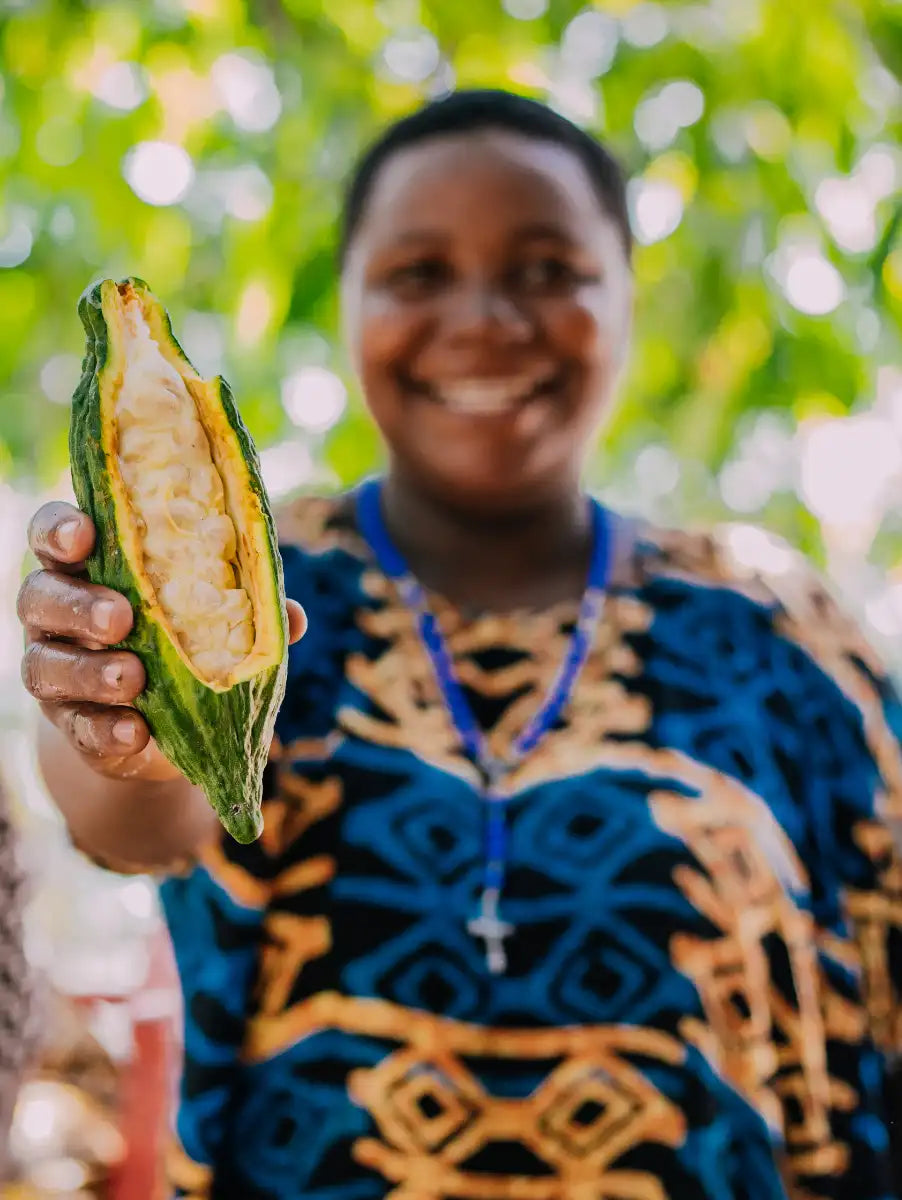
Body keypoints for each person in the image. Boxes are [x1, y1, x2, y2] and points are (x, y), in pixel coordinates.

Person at [14, 88, 902, 1200]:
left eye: (546, 269)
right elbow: (133, 823)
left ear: (628, 293)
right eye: (418, 274)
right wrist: (123, 734)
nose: (483, 318)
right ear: (345, 299)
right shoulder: (259, 582)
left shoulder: (774, 626)